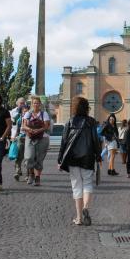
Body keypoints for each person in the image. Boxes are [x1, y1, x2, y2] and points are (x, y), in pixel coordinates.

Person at [58, 97, 102, 226]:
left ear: (74, 107)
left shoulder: (70, 121)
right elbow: (96, 140)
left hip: (72, 157)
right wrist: (98, 156)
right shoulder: (92, 122)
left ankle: (79, 218)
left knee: (76, 186)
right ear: (87, 107)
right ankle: (86, 207)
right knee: (87, 184)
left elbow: (64, 142)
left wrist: (60, 159)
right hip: (88, 157)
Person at [22, 96, 51, 186]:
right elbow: (24, 126)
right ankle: (31, 174)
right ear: (32, 104)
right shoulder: (28, 113)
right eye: (34, 103)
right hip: (30, 137)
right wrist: (30, 130)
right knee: (29, 157)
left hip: (42, 137)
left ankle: (37, 178)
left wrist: (38, 130)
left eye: (37, 103)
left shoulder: (44, 114)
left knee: (39, 158)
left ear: (40, 104)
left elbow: (46, 126)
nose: (36, 104)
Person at [10, 97, 27, 181]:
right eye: (21, 103)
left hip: (28, 137)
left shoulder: (28, 112)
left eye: (23, 103)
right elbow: (13, 126)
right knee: (19, 154)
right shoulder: (13, 112)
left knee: (28, 156)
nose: (22, 104)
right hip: (18, 136)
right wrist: (13, 136)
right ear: (17, 103)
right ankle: (17, 170)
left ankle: (28, 174)